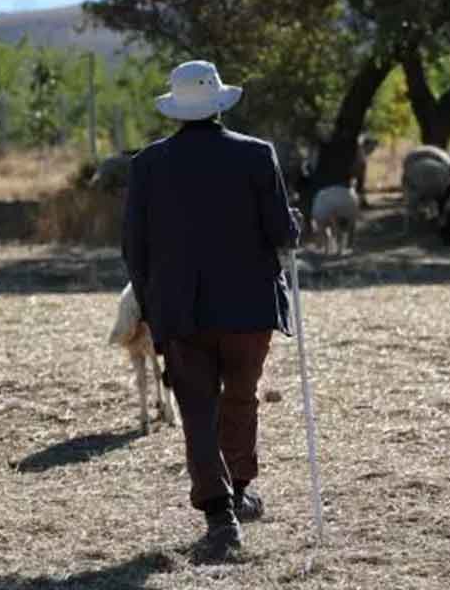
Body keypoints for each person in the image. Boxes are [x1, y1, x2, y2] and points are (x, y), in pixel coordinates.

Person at [122, 60, 301, 560]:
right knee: (241, 397)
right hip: (248, 305)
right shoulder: (257, 155)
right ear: (220, 102)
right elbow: (281, 235)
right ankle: (240, 491)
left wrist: (151, 304)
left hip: (180, 309)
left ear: (177, 108)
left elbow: (134, 247)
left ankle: (220, 516)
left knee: (197, 410)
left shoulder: (147, 165)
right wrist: (295, 227)